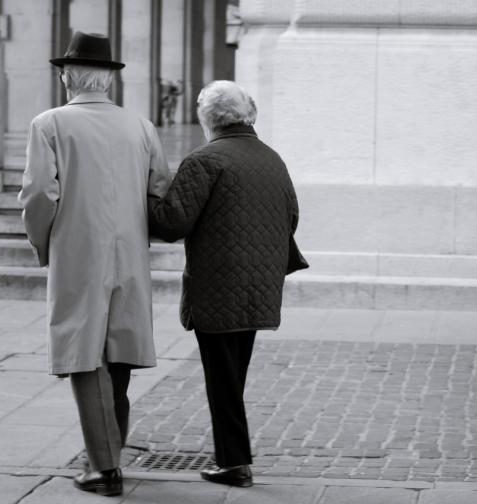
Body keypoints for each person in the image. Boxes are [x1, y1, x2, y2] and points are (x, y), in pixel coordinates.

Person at [18, 31, 170, 497]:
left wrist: (44, 244)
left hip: (78, 251)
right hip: (128, 251)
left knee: (85, 357)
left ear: (67, 76)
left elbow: (40, 194)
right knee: (118, 354)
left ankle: (104, 469)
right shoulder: (141, 126)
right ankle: (109, 454)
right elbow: (159, 188)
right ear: (108, 79)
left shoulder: (49, 124)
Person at [148, 80, 302, 487]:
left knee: (223, 378)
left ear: (207, 118)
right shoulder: (272, 159)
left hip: (218, 286)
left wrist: (149, 194)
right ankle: (233, 459)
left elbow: (170, 223)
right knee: (233, 374)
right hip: (259, 285)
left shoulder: (205, 160)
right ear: (249, 115)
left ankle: (234, 463)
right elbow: (291, 217)